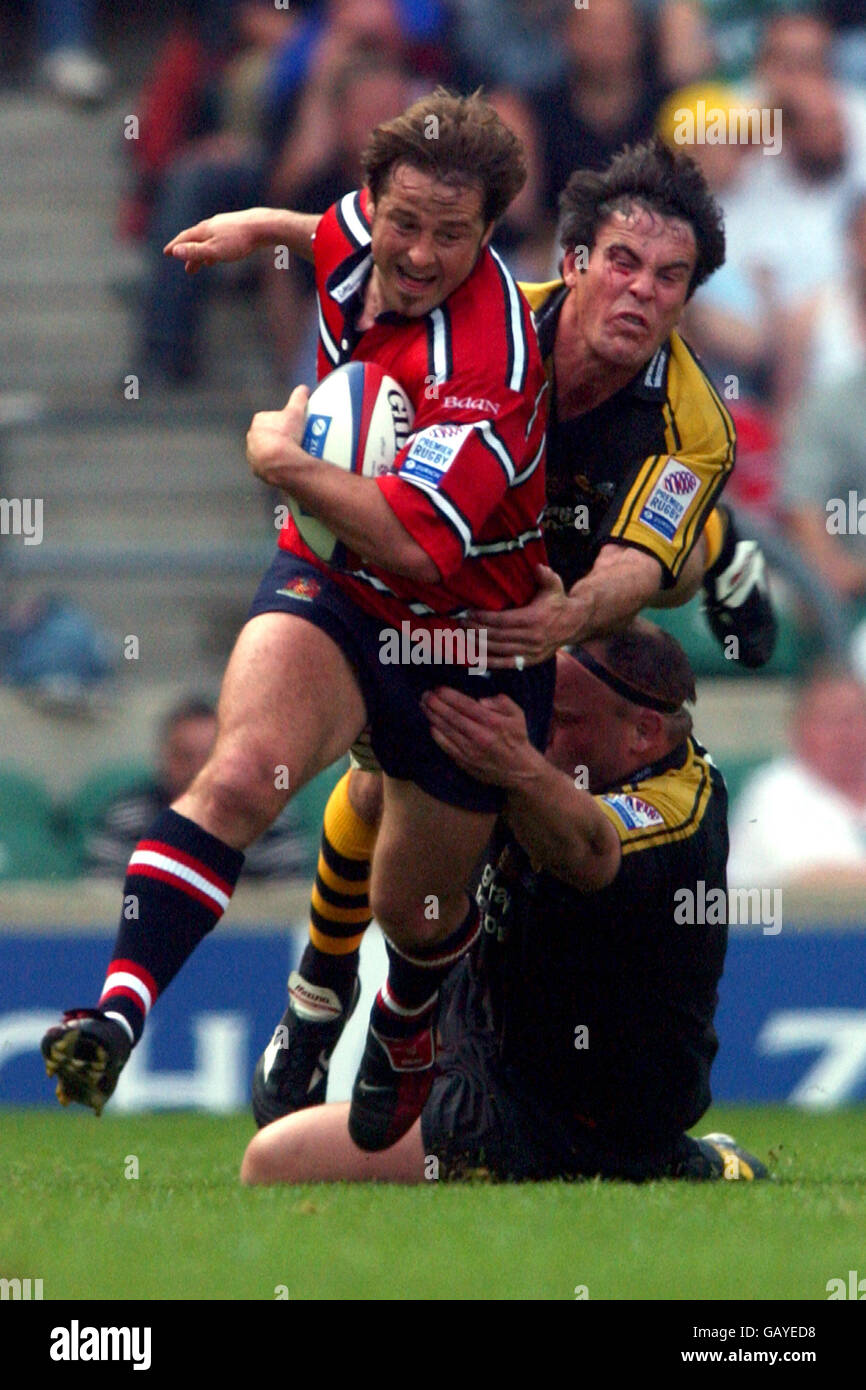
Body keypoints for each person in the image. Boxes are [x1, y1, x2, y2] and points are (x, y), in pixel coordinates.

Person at [212, 137, 775, 1132]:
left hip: (584, 563)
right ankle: (317, 990)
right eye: (622, 264)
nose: (641, 293)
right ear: (571, 263)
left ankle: (718, 549)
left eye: (670, 277)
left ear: (688, 297)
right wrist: (267, 228)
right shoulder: (495, 316)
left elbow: (629, 573)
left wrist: (562, 619)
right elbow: (385, 247)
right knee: (389, 764)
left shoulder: (689, 421)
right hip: (477, 550)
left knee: (670, 561)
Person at [41, 89, 554, 1159]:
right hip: (335, 590)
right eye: (402, 221)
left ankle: (393, 1020)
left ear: (488, 231)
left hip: (466, 635)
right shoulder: (368, 226)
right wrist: (255, 230)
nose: (416, 253)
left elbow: (416, 546)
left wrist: (280, 460)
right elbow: (325, 227)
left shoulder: (491, 364)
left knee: (413, 914)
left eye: (450, 235)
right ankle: (114, 1015)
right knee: (238, 777)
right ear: (376, 198)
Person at [241, 620, 767, 1184]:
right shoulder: (553, 751)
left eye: (562, 719)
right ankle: (319, 997)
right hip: (488, 1031)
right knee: (391, 773)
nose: (539, 731)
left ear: (642, 733)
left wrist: (509, 761)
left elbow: (588, 850)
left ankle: (669, 1162)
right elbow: (376, 792)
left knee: (272, 1160)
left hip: (567, 1105)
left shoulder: (680, 803)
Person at [84, 696, 310, 880]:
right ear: (163, 760)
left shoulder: (269, 818)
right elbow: (101, 909)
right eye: (184, 757)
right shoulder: (127, 819)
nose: (197, 770)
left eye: (210, 756)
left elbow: (285, 910)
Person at [728, 665, 866, 890]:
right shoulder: (774, 791)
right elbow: (810, 882)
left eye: (855, 719)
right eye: (831, 721)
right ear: (798, 728)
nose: (846, 734)